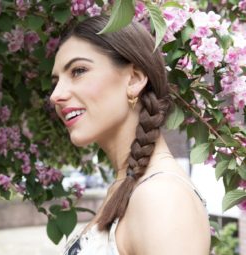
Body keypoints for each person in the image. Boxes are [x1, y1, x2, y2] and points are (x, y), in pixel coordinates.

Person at [50, 15, 211, 255]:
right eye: (56, 81)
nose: (55, 95)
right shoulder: (129, 186)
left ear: (134, 79)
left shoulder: (161, 197)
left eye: (78, 71)